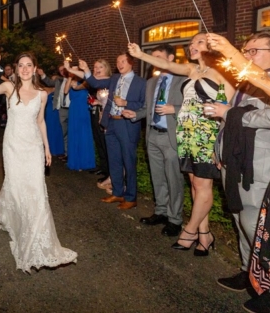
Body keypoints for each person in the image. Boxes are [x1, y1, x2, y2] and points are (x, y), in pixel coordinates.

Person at [207, 32, 270, 313]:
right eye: (245, 51)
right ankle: (248, 272)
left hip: (262, 167)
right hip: (235, 163)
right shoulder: (244, 81)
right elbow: (229, 122)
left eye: (254, 51)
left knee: (262, 229)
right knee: (240, 220)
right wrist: (219, 152)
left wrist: (231, 113)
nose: (247, 56)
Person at [128, 33, 235, 256]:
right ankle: (205, 234)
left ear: (212, 46)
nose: (191, 46)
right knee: (196, 185)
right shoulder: (192, 70)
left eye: (198, 42)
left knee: (203, 187)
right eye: (191, 43)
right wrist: (140, 55)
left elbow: (230, 108)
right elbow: (165, 64)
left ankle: (189, 231)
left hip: (206, 135)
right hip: (186, 134)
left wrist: (221, 143)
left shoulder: (223, 73)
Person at [0, 46, 77, 272]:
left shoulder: (42, 95)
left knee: (35, 192)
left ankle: (37, 239)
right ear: (17, 69)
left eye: (29, 65)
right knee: (16, 188)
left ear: (35, 69)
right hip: (13, 147)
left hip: (33, 147)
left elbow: (40, 122)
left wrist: (46, 148)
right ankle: (17, 222)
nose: (25, 69)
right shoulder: (8, 88)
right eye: (21, 65)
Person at [122, 44, 185, 237]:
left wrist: (174, 108)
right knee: (157, 177)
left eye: (158, 57)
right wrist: (135, 114)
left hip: (171, 136)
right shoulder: (152, 82)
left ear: (171, 58)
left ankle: (175, 219)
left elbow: (195, 107)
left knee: (174, 179)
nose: (154, 61)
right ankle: (161, 211)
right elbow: (147, 109)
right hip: (152, 135)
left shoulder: (184, 80)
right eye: (152, 57)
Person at [70, 53, 146, 210]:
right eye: (117, 61)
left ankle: (131, 197)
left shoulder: (141, 82)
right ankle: (118, 192)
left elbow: (144, 104)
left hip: (127, 124)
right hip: (111, 122)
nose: (119, 64)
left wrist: (126, 102)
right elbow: (94, 82)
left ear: (131, 62)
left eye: (123, 61)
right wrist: (85, 69)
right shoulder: (114, 79)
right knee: (115, 160)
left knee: (128, 161)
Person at [65, 71, 96, 172]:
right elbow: (65, 91)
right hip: (74, 110)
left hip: (83, 109)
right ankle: (75, 161)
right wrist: (70, 77)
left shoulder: (86, 82)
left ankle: (86, 162)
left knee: (84, 134)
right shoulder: (71, 81)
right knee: (75, 134)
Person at [88, 59, 111, 185]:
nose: (97, 69)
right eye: (95, 67)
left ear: (106, 68)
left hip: (107, 117)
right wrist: (97, 102)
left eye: (100, 67)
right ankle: (104, 169)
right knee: (100, 143)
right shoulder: (96, 83)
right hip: (98, 114)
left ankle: (110, 174)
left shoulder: (109, 82)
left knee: (107, 145)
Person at [40, 66, 70, 161]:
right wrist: (42, 74)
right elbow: (49, 82)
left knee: (69, 132)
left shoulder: (72, 79)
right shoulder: (59, 81)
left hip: (71, 109)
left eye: (63, 70)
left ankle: (69, 153)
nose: (62, 72)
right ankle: (66, 153)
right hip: (61, 109)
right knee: (64, 133)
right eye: (60, 70)